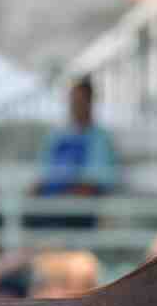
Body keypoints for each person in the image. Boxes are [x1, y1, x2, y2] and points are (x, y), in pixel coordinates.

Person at [28, 76, 121, 230]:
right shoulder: (57, 135)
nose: (75, 105)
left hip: (78, 209)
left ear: (90, 102)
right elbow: (41, 178)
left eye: (79, 100)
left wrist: (63, 199)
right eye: (72, 100)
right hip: (50, 204)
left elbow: (95, 183)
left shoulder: (100, 139)